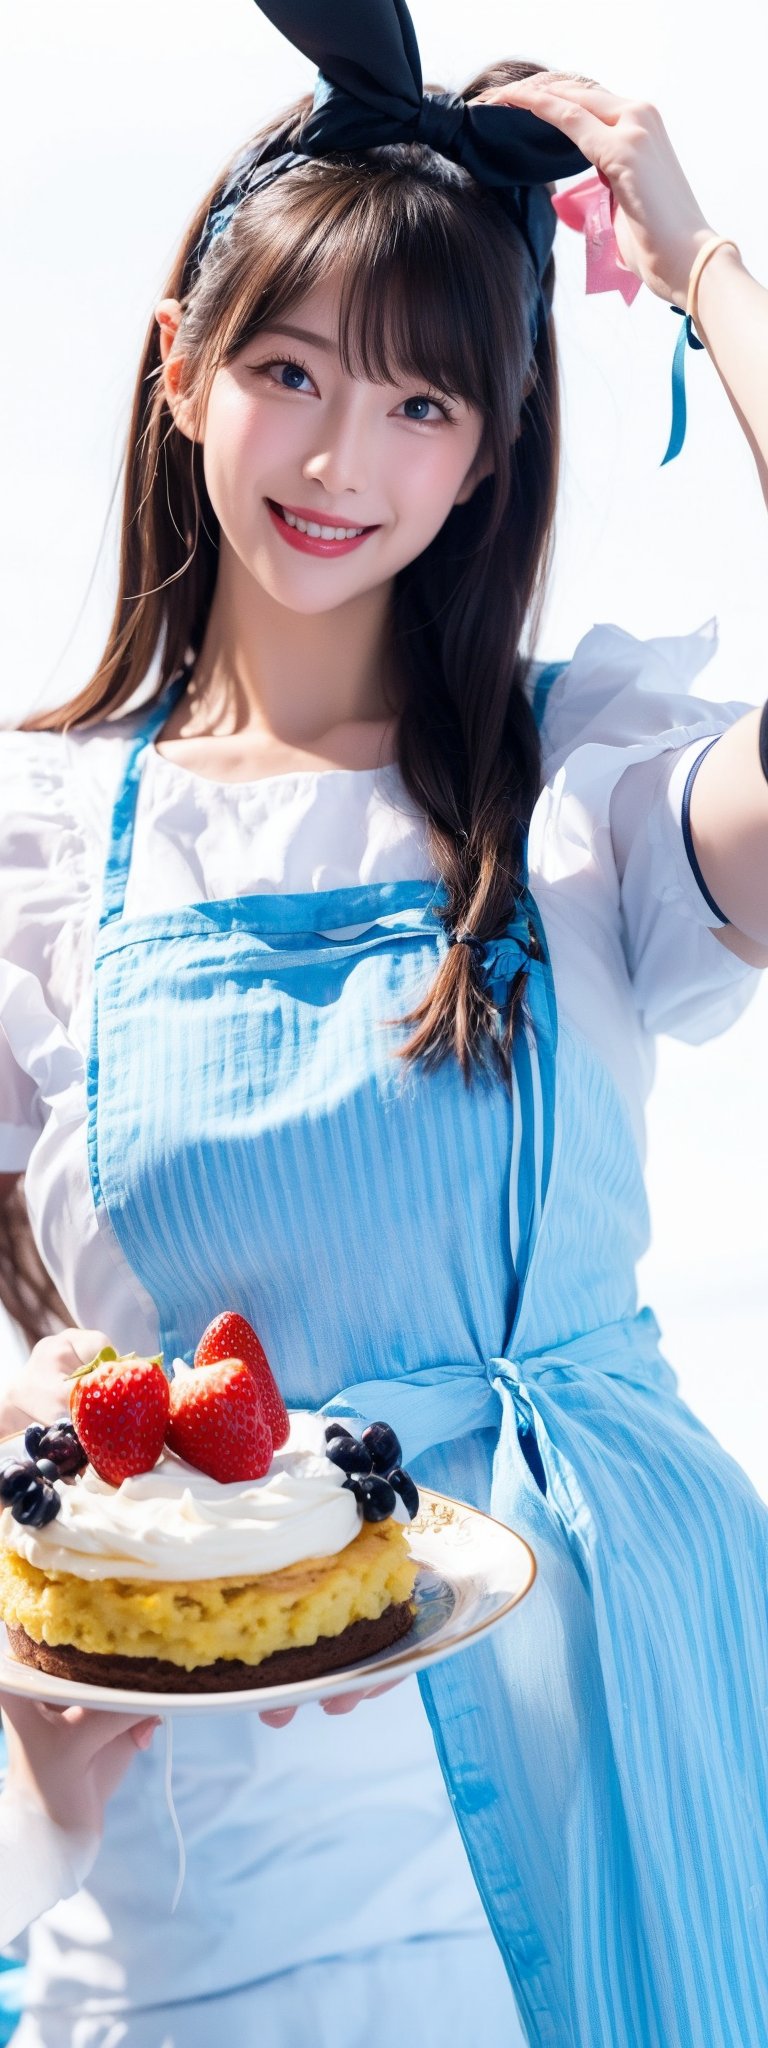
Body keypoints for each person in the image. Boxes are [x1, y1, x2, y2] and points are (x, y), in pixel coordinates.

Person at [0, 4, 767, 2043]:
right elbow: (22, 1388)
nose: (345, 457)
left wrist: (707, 266)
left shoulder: (584, 787)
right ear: (179, 365)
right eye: (288, 370)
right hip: (217, 1805)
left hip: (624, 1698)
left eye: (426, 401)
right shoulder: (42, 844)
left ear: (497, 442)